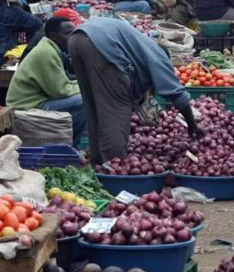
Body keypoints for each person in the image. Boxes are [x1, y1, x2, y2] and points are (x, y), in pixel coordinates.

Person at [68, 17, 204, 164]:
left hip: (78, 38)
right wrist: (192, 125)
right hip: (101, 44)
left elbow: (141, 94)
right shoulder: (159, 57)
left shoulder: (141, 48)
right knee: (115, 111)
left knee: (94, 106)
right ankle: (114, 168)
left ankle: (97, 163)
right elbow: (176, 93)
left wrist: (153, 120)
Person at [7, 17, 86, 148]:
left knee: (85, 96)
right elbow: (60, 91)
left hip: (39, 100)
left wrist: (83, 83)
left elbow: (64, 82)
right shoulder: (46, 53)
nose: (72, 37)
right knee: (84, 100)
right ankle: (72, 146)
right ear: (54, 36)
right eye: (67, 34)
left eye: (73, 33)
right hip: (27, 105)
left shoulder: (51, 48)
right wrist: (86, 87)